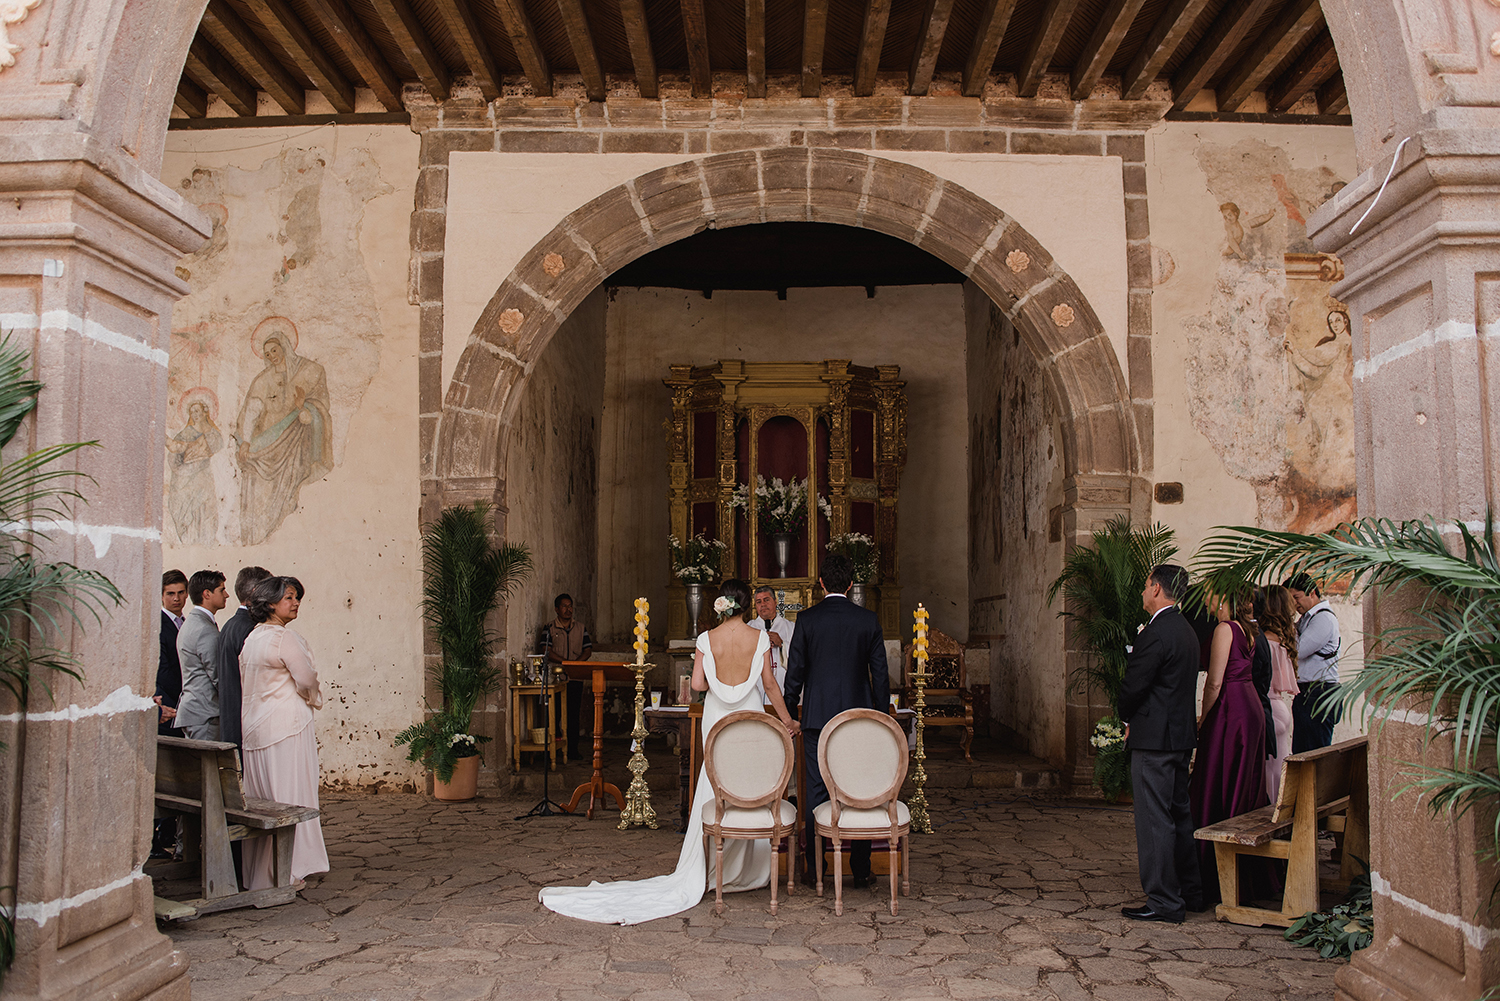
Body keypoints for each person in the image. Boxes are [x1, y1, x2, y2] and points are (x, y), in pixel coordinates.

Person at [539, 579, 797, 923]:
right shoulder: (760, 638)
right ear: (747, 606)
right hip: (748, 717)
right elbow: (768, 684)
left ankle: (709, 861)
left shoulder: (706, 639)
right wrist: (787, 720)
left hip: (718, 719)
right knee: (749, 782)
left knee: (716, 780)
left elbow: (698, 685)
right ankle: (746, 865)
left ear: (721, 604)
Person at [782, 553, 890, 890]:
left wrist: (789, 712)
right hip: (858, 718)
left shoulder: (807, 620)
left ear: (822, 584)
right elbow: (880, 674)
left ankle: (816, 868)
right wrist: (882, 715)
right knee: (857, 790)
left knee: (816, 791)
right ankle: (859, 868)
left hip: (817, 719)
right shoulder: (868, 620)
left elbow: (795, 671)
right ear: (850, 584)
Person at [1118, 564, 1202, 924]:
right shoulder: (1186, 629)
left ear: (1155, 588)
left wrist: (1125, 718)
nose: (1141, 592)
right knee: (1178, 814)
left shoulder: (1156, 633)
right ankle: (1190, 891)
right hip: (1179, 736)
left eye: (1144, 584)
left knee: (1154, 821)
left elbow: (1135, 685)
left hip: (1154, 739)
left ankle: (1165, 901)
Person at [239, 575, 328, 890]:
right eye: (289, 597)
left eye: (297, 597)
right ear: (270, 603)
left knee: (265, 795)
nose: (296, 603)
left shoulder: (253, 639)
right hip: (286, 727)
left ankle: (263, 873)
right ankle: (290, 869)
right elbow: (305, 678)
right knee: (291, 795)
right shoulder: (283, 638)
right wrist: (311, 697)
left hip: (255, 727)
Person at [1189, 587, 1270, 905]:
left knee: (1216, 778)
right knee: (1242, 782)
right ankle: (1245, 871)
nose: (1209, 602)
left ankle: (1212, 871)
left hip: (1230, 709)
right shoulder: (1249, 629)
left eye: (1213, 596)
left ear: (1226, 600)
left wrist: (1204, 718)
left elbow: (1215, 681)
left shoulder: (1225, 628)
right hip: (1249, 705)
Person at [216, 566, 273, 749]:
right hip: (246, 721)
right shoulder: (251, 629)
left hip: (233, 718)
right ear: (257, 592)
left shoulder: (231, 625)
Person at [1285, 573, 1342, 752]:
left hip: (1319, 692)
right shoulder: (1307, 619)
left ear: (1311, 593)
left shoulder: (1323, 618)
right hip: (1308, 692)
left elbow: (1298, 651)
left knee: (1314, 752)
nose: (1294, 604)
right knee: (1303, 750)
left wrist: (1287, 620)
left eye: (1296, 597)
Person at [175, 569, 228, 741]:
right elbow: (218, 675)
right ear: (207, 594)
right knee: (208, 767)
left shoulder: (193, 622)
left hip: (195, 711)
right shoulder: (204, 628)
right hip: (205, 714)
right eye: (221, 590)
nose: (226, 595)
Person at [1259, 584, 1301, 800]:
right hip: (1281, 708)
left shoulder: (1264, 641)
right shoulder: (1283, 638)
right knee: (1279, 767)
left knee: (1269, 772)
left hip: (1269, 709)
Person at [541, 594, 592, 759]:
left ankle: (572, 749)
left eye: (570, 606)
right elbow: (545, 650)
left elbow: (587, 650)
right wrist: (564, 662)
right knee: (554, 714)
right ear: (557, 609)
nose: (568, 609)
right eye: (564, 606)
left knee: (573, 714)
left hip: (575, 677)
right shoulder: (549, 628)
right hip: (555, 678)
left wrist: (576, 665)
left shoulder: (580, 627)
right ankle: (554, 748)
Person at [156, 570, 188, 736]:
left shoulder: (187, 623)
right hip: (171, 702)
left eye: (180, 593)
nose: (176, 599)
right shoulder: (158, 625)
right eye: (170, 594)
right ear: (161, 596)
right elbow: (163, 671)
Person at [749, 584, 794, 696]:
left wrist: (782, 644)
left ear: (775, 602)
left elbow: (800, 656)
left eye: (766, 600)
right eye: (759, 602)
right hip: (757, 685)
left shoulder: (791, 627)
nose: (763, 604)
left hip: (782, 683)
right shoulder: (749, 628)